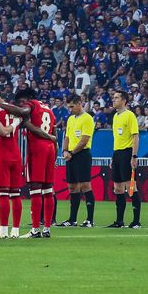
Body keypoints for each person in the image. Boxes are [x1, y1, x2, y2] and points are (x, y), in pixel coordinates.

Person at [0, 87, 26, 238]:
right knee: (16, 195)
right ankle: (15, 230)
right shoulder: (14, 110)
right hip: (16, 155)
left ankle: (3, 230)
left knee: (2, 194)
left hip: (1, 156)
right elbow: (22, 116)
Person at [16, 88, 59, 237]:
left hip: (38, 149)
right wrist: (54, 158)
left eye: (21, 102)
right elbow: (56, 137)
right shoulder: (49, 110)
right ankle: (47, 229)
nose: (21, 105)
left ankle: (35, 229)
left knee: (35, 189)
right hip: (50, 149)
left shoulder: (31, 104)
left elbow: (24, 112)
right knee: (48, 190)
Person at [60, 95, 95, 227]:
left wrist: (71, 152)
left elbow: (84, 140)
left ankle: (90, 219)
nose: (70, 109)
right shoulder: (70, 119)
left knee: (85, 185)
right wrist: (64, 150)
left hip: (82, 155)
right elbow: (67, 137)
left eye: (72, 106)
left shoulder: (87, 119)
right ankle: (72, 219)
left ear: (80, 104)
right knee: (72, 187)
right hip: (70, 155)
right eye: (68, 107)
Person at [108, 90, 141, 229]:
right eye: (113, 98)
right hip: (117, 153)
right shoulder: (115, 116)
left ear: (124, 101)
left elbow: (135, 137)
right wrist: (113, 156)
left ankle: (136, 221)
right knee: (118, 188)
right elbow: (117, 138)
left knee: (131, 187)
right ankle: (119, 221)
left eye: (116, 98)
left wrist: (134, 156)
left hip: (127, 153)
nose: (113, 100)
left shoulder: (130, 115)